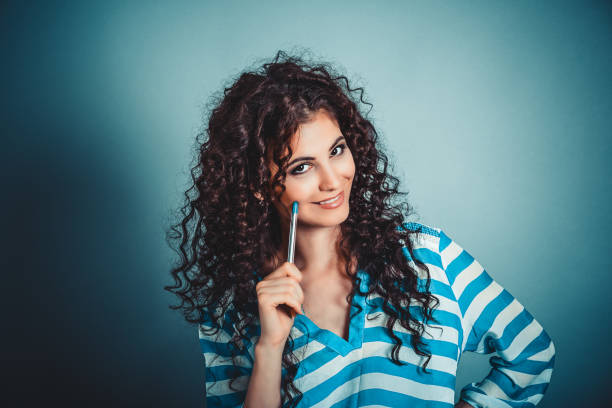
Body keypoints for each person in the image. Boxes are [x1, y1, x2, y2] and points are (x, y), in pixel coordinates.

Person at [165, 50, 555, 408]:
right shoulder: (232, 310)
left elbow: (531, 354)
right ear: (257, 185)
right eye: (301, 167)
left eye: (336, 151)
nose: (333, 180)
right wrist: (269, 348)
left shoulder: (428, 257)